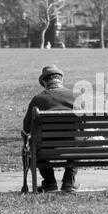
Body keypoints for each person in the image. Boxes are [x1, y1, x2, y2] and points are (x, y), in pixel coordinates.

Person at [23, 65, 81, 193]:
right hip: (74, 145)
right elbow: (85, 123)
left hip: (45, 146)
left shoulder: (38, 99)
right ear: (61, 79)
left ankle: (49, 183)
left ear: (44, 82)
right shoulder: (76, 97)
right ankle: (68, 183)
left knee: (36, 147)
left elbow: (26, 128)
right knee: (77, 143)